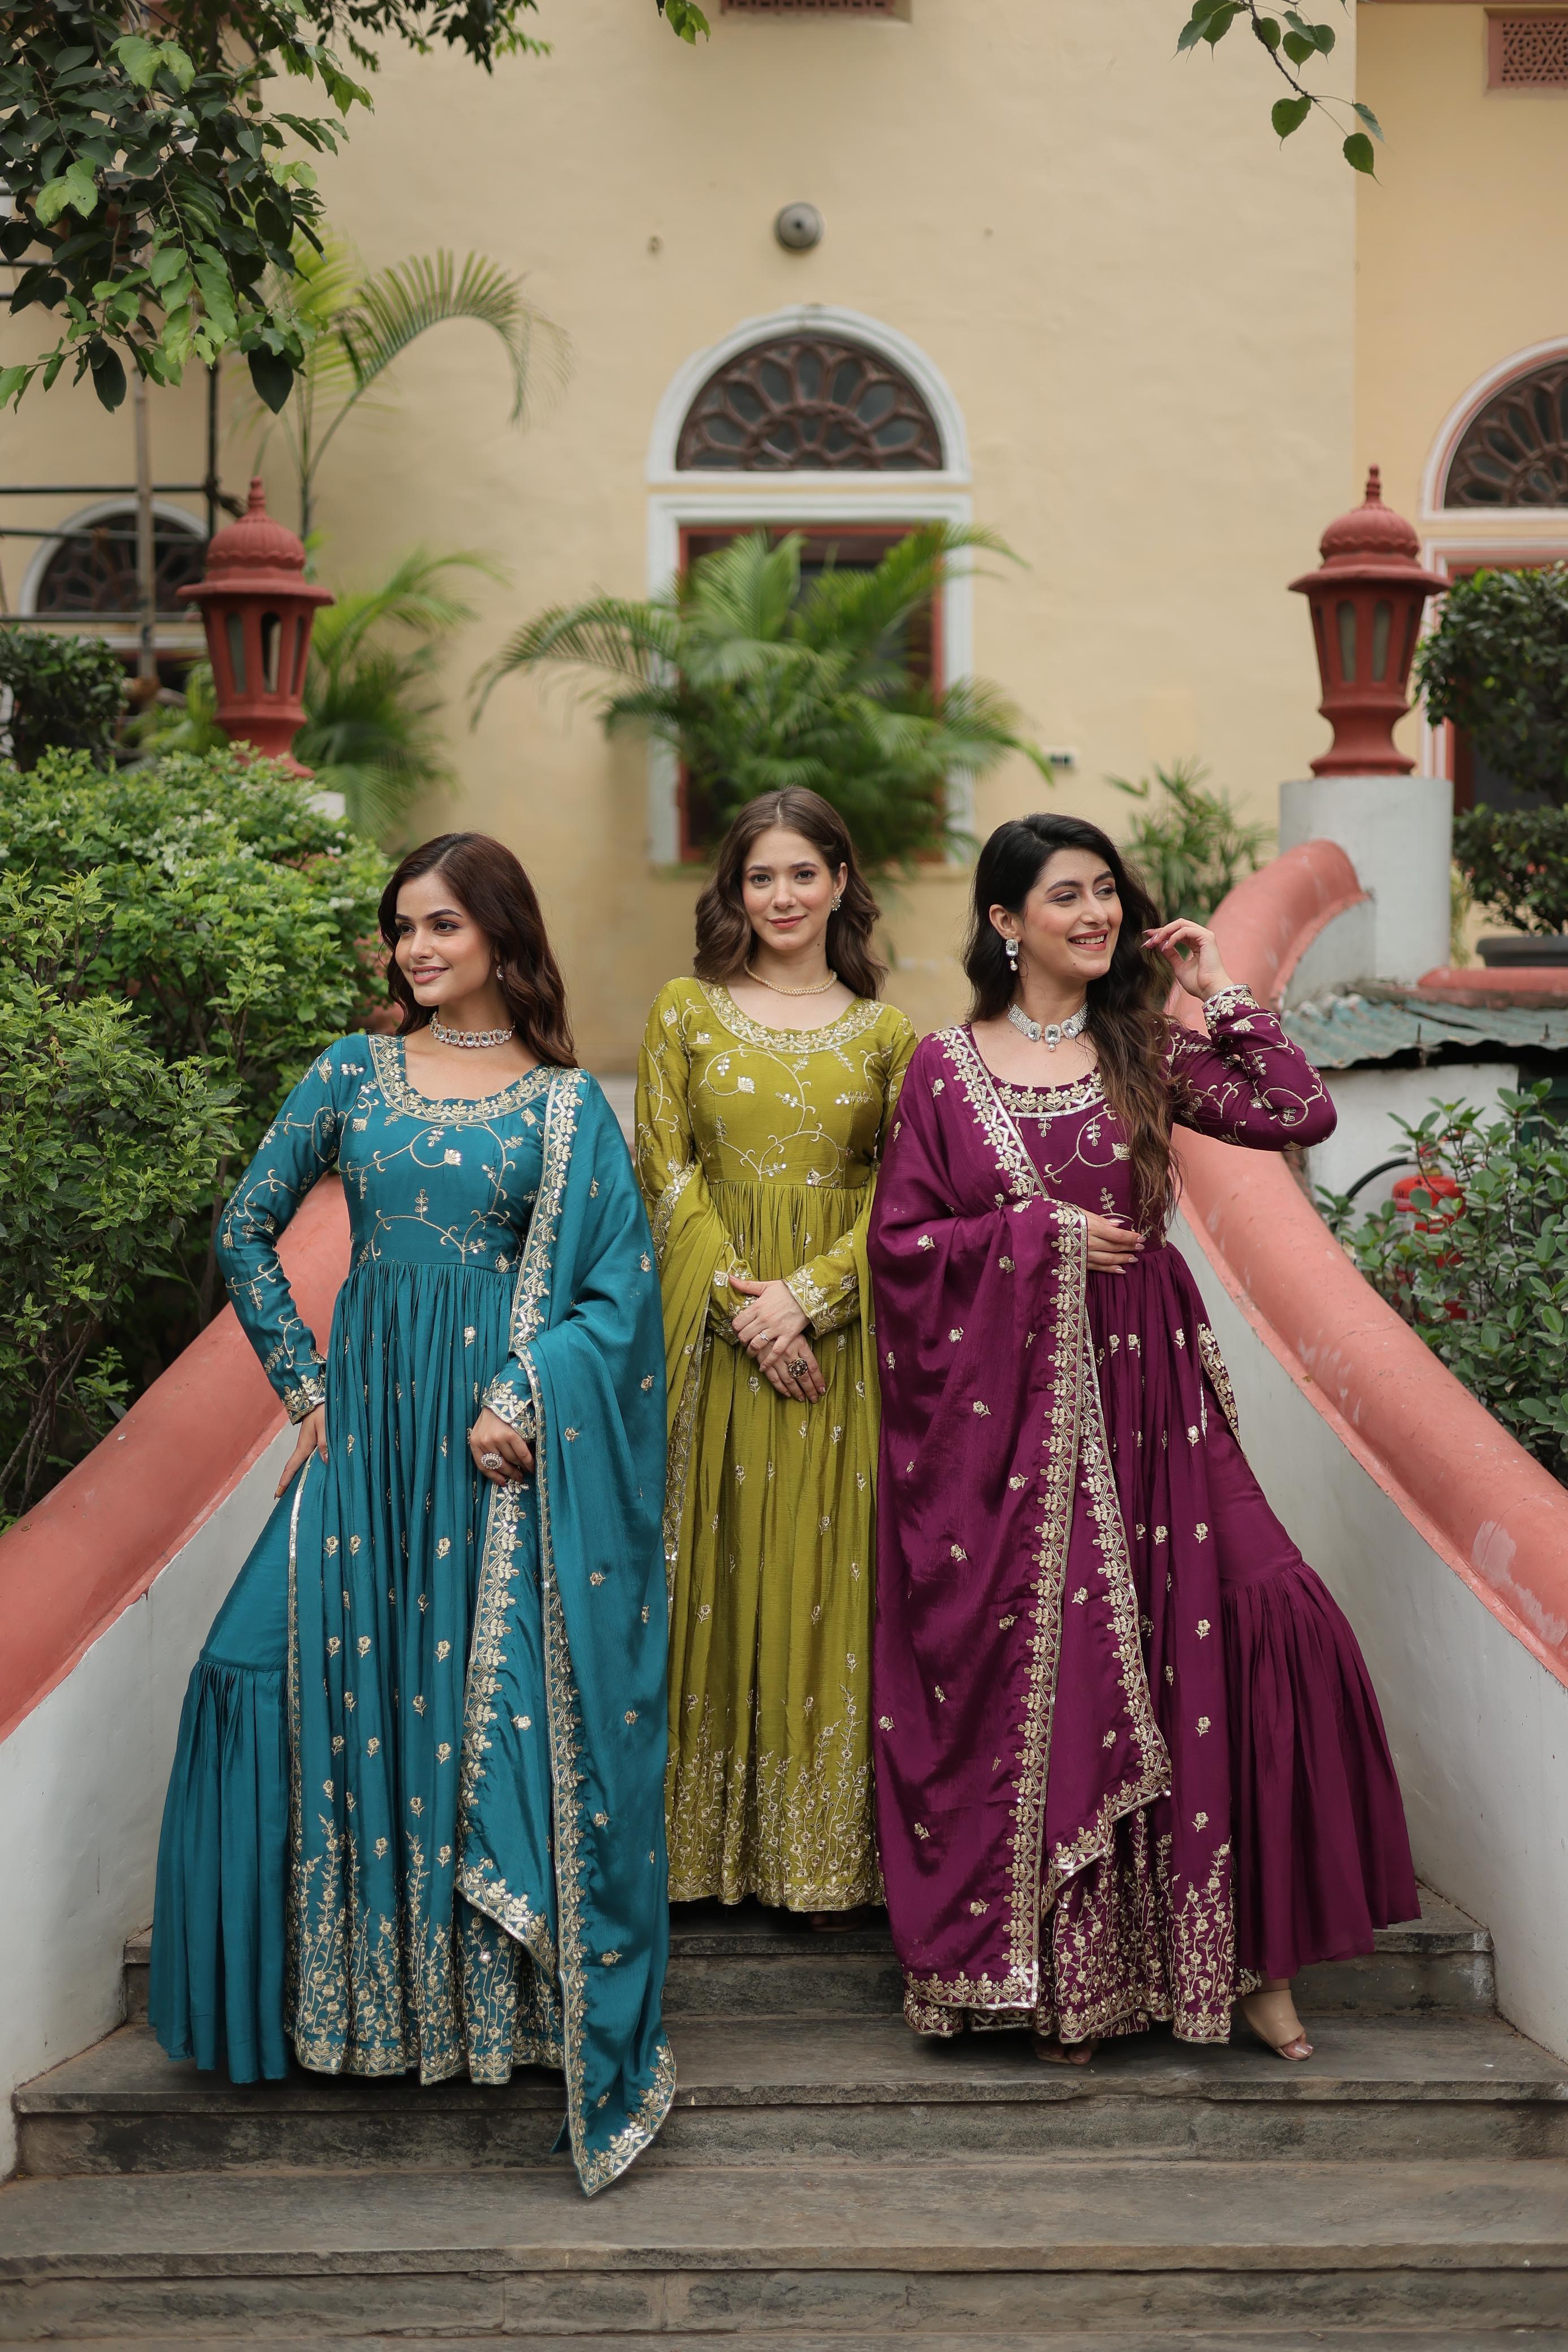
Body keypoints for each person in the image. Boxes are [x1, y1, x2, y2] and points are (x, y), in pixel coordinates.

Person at [149, 832, 673, 2194]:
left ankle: (485, 2014)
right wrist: (304, 1383)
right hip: (367, 1432)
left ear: (500, 932)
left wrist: (523, 1390)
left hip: (487, 1453)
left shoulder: (565, 1106)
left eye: (442, 924)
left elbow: (618, 1294)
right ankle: (325, 2007)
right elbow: (245, 1225)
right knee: (255, 1667)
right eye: (403, 927)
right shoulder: (349, 1072)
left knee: (468, 1708)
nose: (416, 949)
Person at [867, 813, 1419, 2064]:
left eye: (1106, 892)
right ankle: (1080, 1979)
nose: (1096, 914)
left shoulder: (1143, 1046)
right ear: (1005, 921)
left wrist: (1218, 992)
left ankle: (1252, 1955)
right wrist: (1041, 1237)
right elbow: (901, 1249)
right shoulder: (944, 1070)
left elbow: (1296, 1113)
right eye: (1066, 895)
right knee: (1068, 1670)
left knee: (1260, 1614)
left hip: (1155, 1392)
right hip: (1017, 1427)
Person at [636, 788, 917, 1922]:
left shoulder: (892, 1037)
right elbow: (663, 1169)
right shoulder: (685, 1011)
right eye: (761, 877)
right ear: (734, 892)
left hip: (837, 1351)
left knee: (826, 1576)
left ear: (841, 883)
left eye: (804, 873)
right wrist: (739, 1307)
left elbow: (906, 1195)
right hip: (713, 1344)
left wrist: (809, 1298)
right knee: (715, 1569)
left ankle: (820, 1855)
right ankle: (699, 1852)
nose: (783, 895)